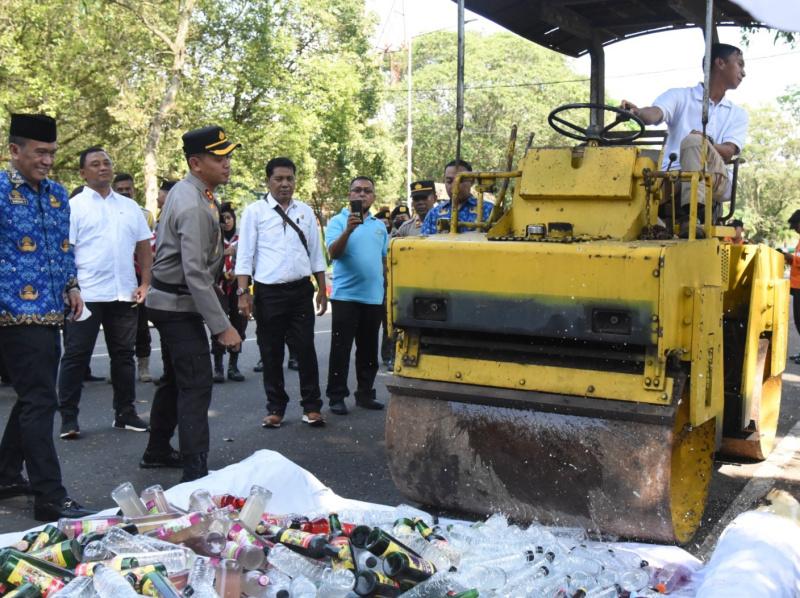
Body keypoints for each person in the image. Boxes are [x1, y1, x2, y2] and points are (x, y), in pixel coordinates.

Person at [0, 113, 95, 520]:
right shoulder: (0, 191)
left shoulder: (57, 195)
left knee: (35, 396)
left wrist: (72, 286)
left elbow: (62, 249)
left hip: (50, 312)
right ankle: (50, 497)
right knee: (41, 400)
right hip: (12, 313)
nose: (47, 161)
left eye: (52, 153)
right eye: (40, 152)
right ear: (14, 150)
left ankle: (6, 475)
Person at [143, 125, 242, 482]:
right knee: (197, 383)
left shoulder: (195, 193)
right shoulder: (193, 203)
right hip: (176, 304)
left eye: (228, 156)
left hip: (171, 299)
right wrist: (222, 327)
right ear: (196, 163)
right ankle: (195, 472)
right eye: (219, 157)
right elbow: (195, 272)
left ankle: (156, 451)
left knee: (176, 379)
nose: (227, 163)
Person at [57, 147, 152, 439]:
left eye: (106, 163)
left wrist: (145, 282)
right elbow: (65, 251)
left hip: (123, 292)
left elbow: (144, 246)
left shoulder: (129, 207)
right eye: (95, 164)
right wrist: (70, 288)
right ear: (83, 173)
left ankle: (125, 413)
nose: (103, 168)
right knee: (76, 355)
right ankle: (69, 418)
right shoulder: (74, 207)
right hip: (85, 294)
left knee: (123, 356)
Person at [236, 157, 328, 428]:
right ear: (268, 181)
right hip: (269, 293)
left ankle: (312, 407)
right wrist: (243, 292)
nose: (285, 184)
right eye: (279, 179)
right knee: (271, 351)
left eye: (289, 178)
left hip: (301, 291)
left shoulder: (305, 212)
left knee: (306, 349)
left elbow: (316, 253)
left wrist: (322, 288)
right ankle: (275, 408)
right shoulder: (254, 212)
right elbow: (245, 255)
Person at [620, 43, 747, 232]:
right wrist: (637, 112)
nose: (743, 73)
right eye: (740, 64)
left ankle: (693, 217)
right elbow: (655, 114)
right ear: (720, 63)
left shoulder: (737, 113)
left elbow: (728, 152)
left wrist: (706, 141)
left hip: (715, 178)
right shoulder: (679, 96)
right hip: (672, 178)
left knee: (694, 141)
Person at [325, 176, 388, 414]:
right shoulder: (337, 221)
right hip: (345, 298)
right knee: (340, 350)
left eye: (367, 191)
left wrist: (385, 290)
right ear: (349, 194)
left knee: (369, 351)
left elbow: (384, 261)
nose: (362, 194)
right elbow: (334, 253)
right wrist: (348, 230)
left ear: (373, 196)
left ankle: (365, 394)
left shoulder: (380, 226)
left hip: (373, 298)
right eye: (357, 190)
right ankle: (336, 397)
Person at [113, 172, 157, 382]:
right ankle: (119, 368)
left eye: (127, 189)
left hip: (138, 277)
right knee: (116, 327)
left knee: (141, 324)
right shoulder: (106, 212)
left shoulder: (145, 215)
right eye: (120, 189)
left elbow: (149, 245)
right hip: (115, 277)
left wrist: (147, 280)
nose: (124, 192)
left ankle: (143, 366)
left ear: (134, 190)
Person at [212, 202, 247, 383]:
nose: (226, 222)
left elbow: (250, 258)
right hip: (219, 287)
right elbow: (206, 260)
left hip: (238, 287)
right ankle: (218, 367)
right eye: (223, 218)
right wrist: (223, 253)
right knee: (218, 324)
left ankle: (234, 366)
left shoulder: (243, 237)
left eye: (229, 218)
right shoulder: (214, 238)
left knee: (239, 323)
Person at [421, 159, 491, 234]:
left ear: (472, 181)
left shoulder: (488, 211)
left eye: (460, 181)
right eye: (449, 181)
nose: (455, 186)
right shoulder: (434, 213)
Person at [784, 210, 800, 365]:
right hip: (797, 287)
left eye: (796, 226)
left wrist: (791, 258)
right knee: (798, 321)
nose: (795, 229)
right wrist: (789, 259)